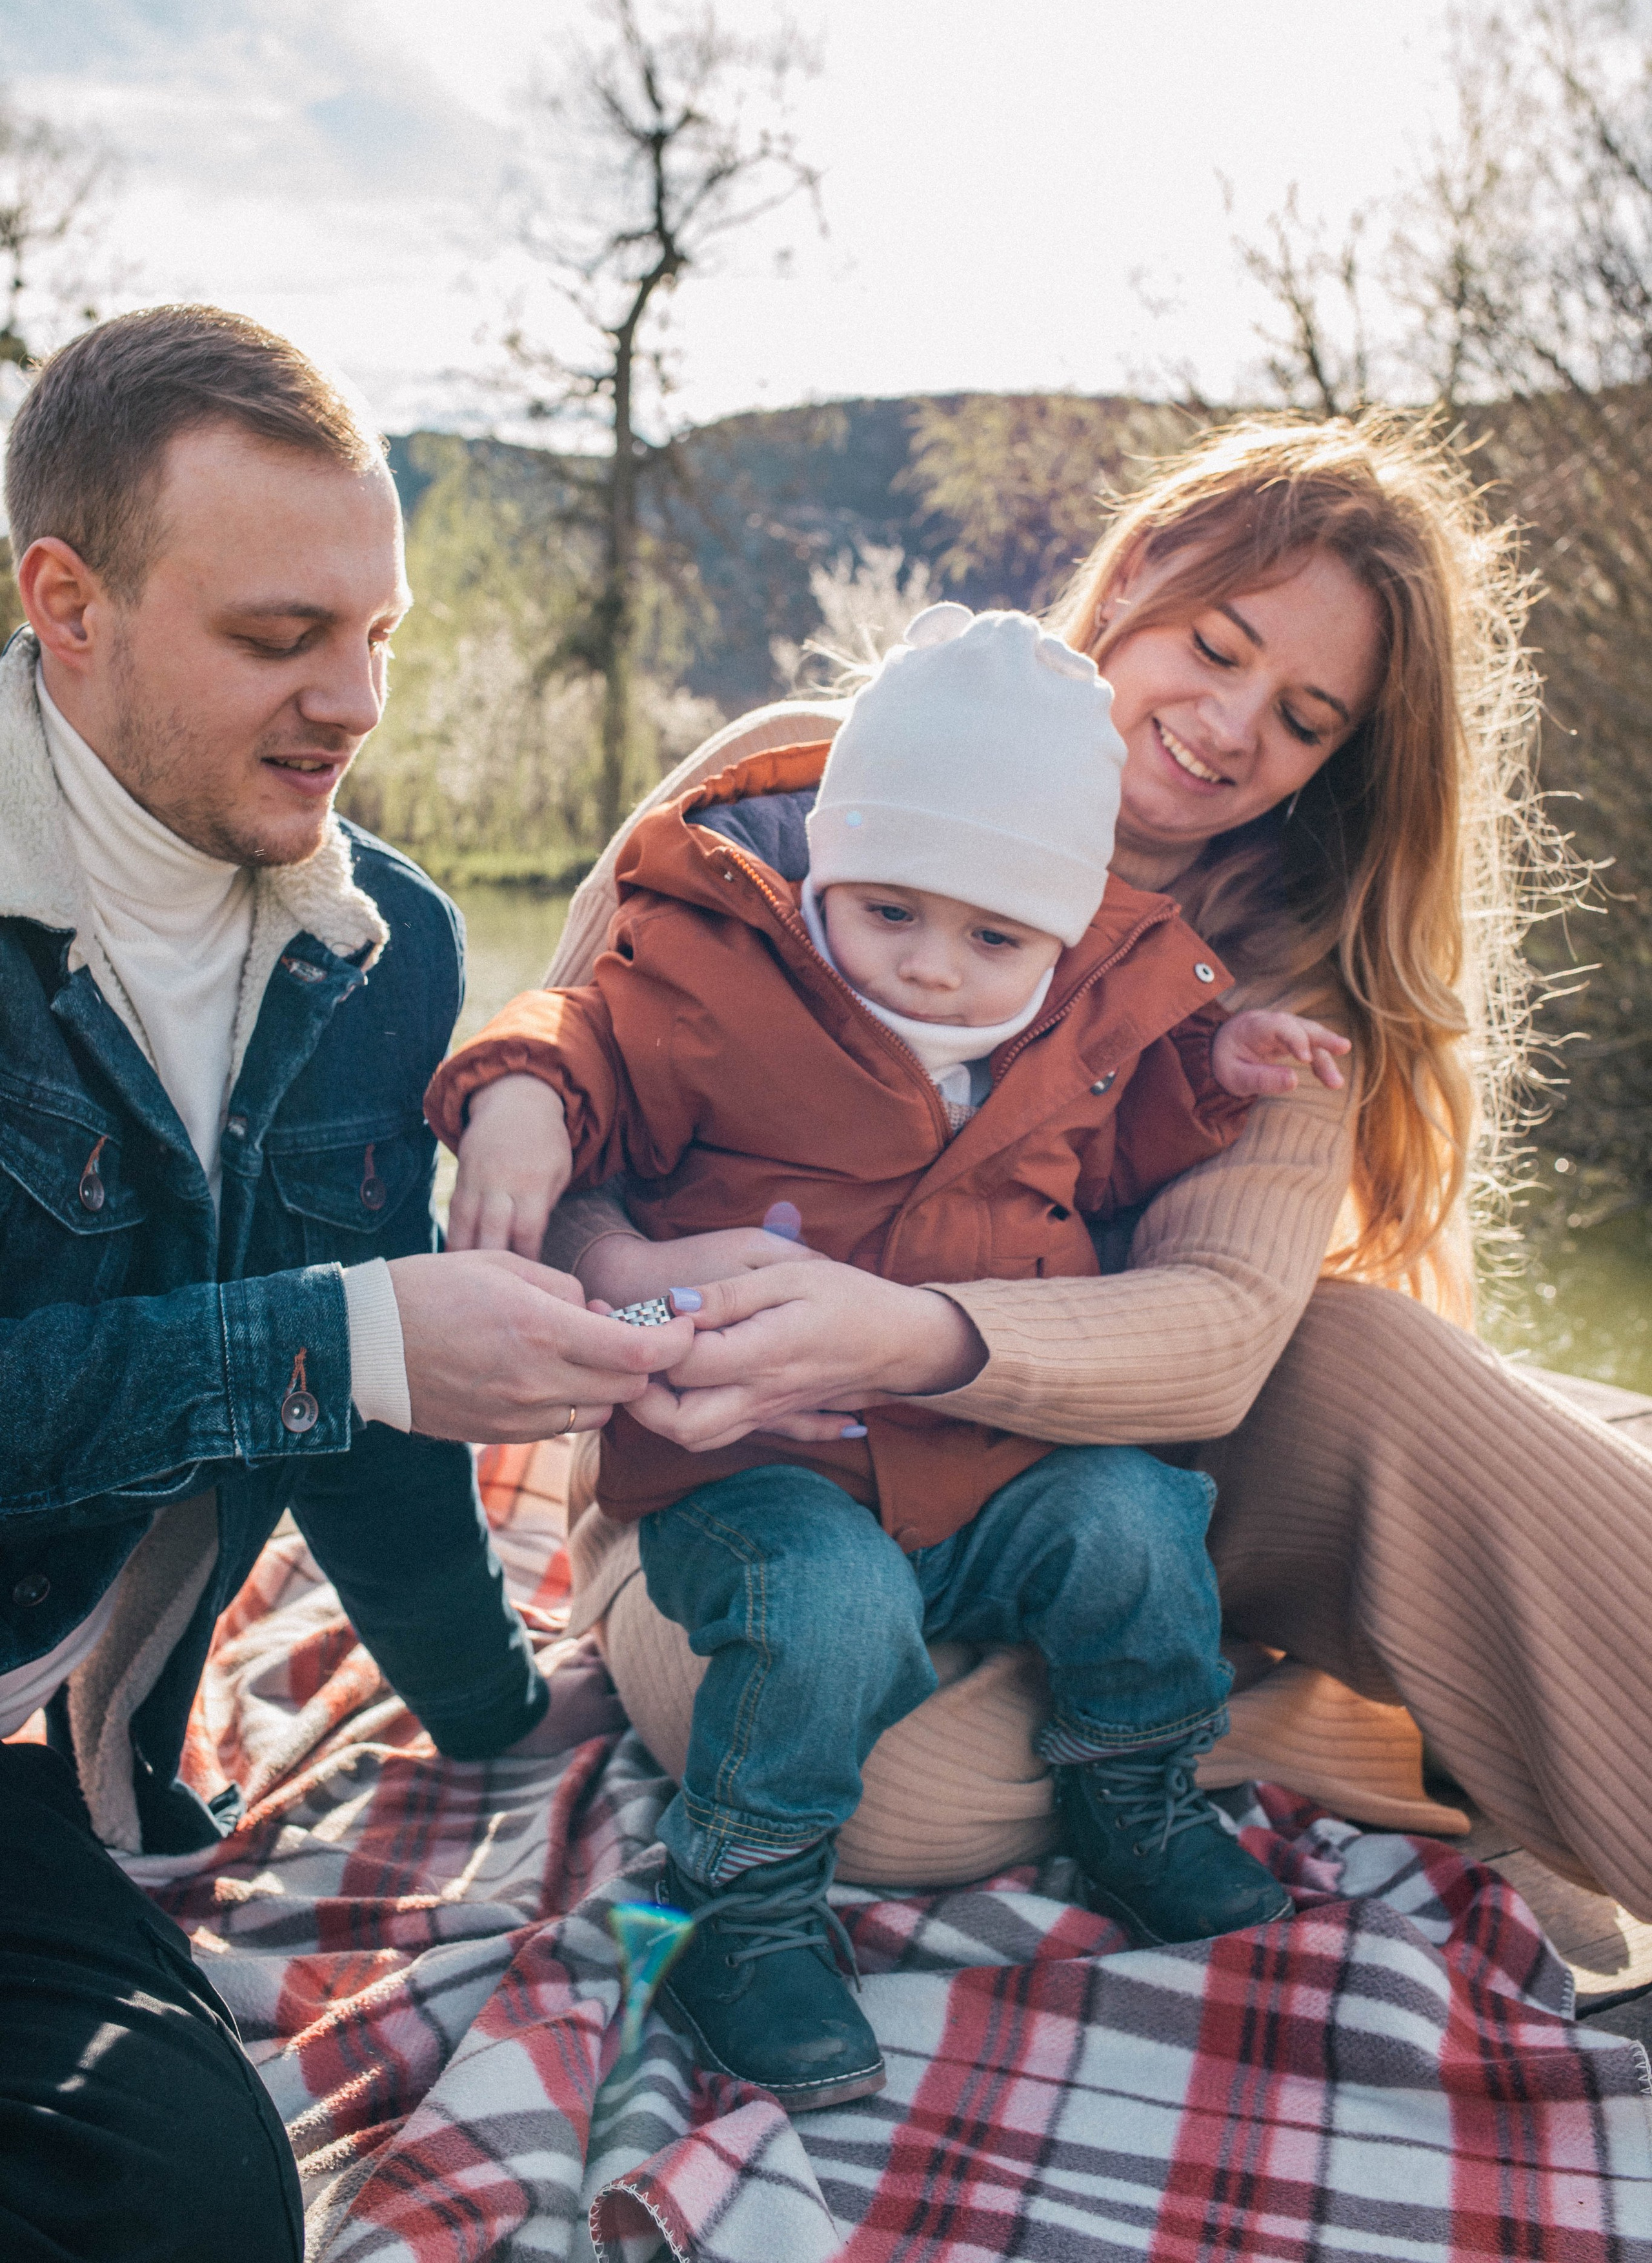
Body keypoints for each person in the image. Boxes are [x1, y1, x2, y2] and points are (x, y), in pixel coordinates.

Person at [455, 410, 1652, 1942]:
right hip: (746, 1461)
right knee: (873, 1785)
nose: (1228, 728)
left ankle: (1239, 1675)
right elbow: (575, 1088)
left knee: (1361, 1349)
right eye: (1216, 648)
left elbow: (1219, 1328)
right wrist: (619, 1272)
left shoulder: (1275, 978)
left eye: (1300, 720)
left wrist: (910, 1334)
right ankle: (1312, 1724)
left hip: (1087, 1488)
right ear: (1140, 573)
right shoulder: (785, 792)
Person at [428, 602, 1351, 2107]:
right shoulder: (719, 982)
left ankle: (1136, 1792)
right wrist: (520, 1093)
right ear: (825, 876)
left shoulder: (1084, 1022)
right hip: (758, 1461)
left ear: (1057, 935)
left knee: (1129, 1522)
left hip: (978, 1464)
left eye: (994, 938)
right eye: (889, 911)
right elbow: (582, 1037)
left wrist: (1208, 1080)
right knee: (828, 1606)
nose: (933, 967)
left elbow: (1108, 1164)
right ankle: (743, 1905)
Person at [0, 305, 691, 2263]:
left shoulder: (382, 947)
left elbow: (358, 1409)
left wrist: (492, 1709)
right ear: (69, 600)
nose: (354, 702)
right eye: (280, 639)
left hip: (31, 1762)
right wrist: (353, 1334)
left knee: (195, 2206)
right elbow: (341, 1348)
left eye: (376, 638)